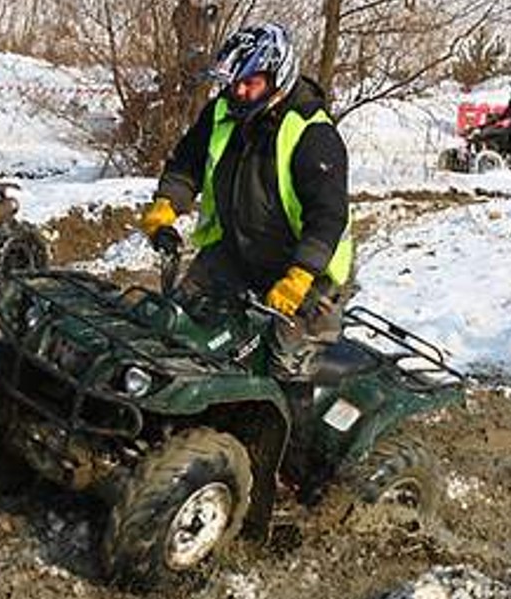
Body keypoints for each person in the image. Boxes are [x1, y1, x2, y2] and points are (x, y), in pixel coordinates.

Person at [136, 22, 354, 377]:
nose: (238, 91)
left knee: (286, 368)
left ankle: (295, 432)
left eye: (250, 83)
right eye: (234, 81)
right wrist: (165, 207)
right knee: (174, 325)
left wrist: (298, 277)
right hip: (236, 250)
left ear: (277, 77)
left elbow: (328, 216)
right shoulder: (223, 111)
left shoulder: (313, 134)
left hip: (309, 271)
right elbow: (187, 162)